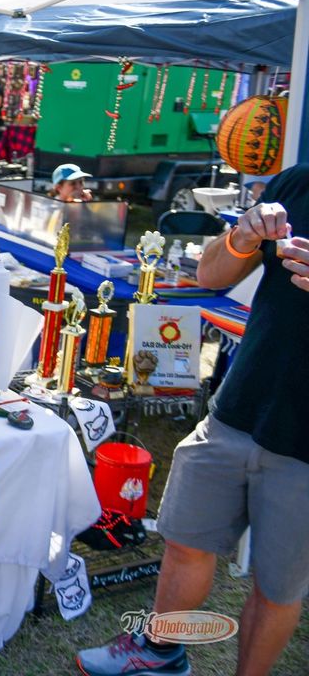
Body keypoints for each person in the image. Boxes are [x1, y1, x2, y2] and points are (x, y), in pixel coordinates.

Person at [77, 164, 309, 676]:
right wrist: (243, 235)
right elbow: (210, 274)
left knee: (275, 587)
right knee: (185, 540)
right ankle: (161, 653)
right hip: (238, 409)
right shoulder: (298, 182)